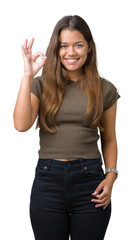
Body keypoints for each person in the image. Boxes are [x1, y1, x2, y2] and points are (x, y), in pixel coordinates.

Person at [13, 15, 120, 240]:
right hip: (48, 181)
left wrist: (110, 178)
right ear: (56, 49)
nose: (71, 52)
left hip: (90, 183)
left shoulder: (105, 89)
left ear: (89, 47)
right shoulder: (40, 85)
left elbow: (109, 138)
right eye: (64, 46)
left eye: (78, 45)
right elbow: (21, 125)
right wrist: (27, 76)